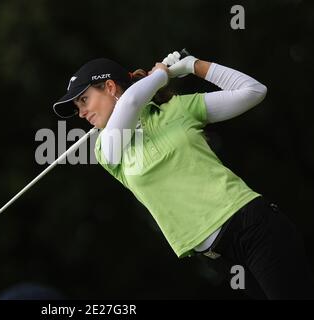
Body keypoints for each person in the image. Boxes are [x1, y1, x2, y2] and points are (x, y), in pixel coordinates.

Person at [52, 51, 314, 299]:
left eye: (83, 99)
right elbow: (131, 101)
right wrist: (159, 76)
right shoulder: (105, 149)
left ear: (110, 87)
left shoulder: (176, 109)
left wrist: (191, 66)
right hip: (221, 259)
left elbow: (254, 91)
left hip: (254, 226)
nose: (81, 112)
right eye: (77, 107)